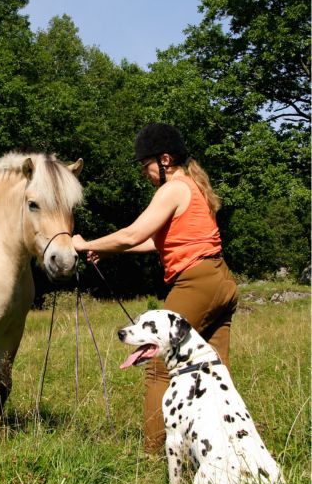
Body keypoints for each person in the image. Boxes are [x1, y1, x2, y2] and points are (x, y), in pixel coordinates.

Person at [72, 122, 238, 453]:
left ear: (164, 160)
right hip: (221, 281)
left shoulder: (172, 189)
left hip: (196, 283)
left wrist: (84, 243)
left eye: (145, 165)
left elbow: (132, 234)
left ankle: (151, 458)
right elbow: (153, 241)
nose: (144, 173)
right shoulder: (194, 187)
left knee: (159, 368)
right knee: (215, 372)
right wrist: (104, 249)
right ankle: (227, 451)